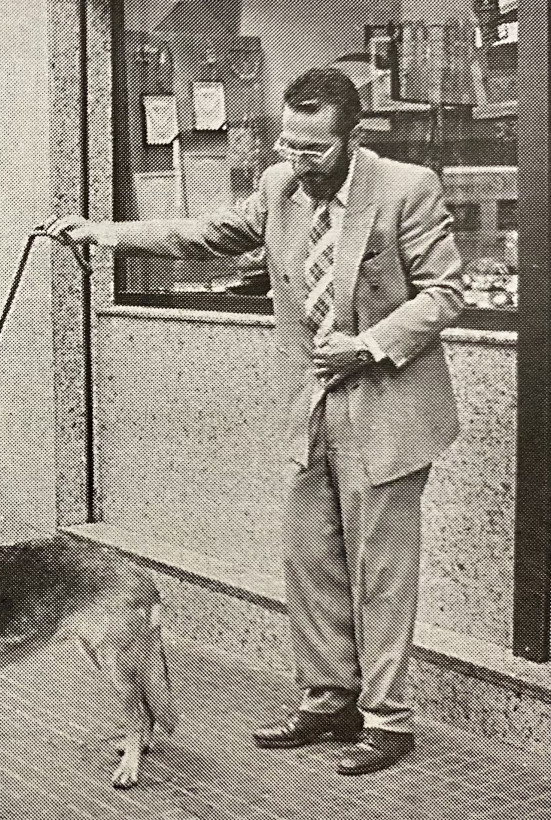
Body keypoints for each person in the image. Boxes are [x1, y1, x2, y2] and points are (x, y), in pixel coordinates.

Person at [46, 67, 463, 775]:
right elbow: (204, 234)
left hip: (385, 402)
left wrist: (366, 343)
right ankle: (327, 700)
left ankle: (387, 722)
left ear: (352, 137)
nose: (298, 164)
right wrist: (100, 233)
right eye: (289, 147)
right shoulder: (280, 188)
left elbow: (444, 293)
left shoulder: (405, 188)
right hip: (308, 403)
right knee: (309, 562)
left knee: (380, 574)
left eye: (314, 150)